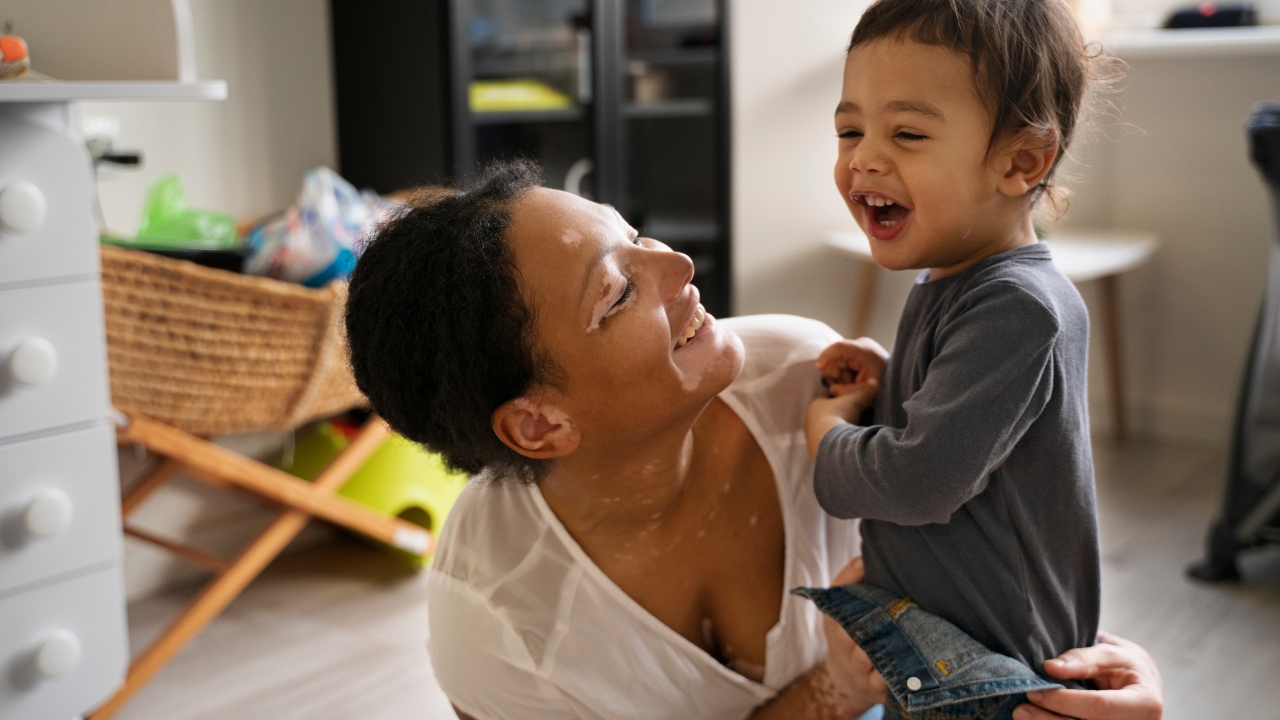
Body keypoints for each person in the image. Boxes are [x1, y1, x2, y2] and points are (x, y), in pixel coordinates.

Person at [344, 162, 1161, 720]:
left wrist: (1102, 678)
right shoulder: (496, 620)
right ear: (539, 425)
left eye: (638, 235)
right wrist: (832, 691)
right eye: (619, 291)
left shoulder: (813, 377)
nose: (677, 266)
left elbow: (999, 565)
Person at [802, 0, 1104, 715]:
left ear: (1021, 161)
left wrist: (826, 432)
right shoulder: (957, 283)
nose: (863, 158)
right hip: (944, 648)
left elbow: (919, 482)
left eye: (907, 133)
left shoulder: (1018, 305)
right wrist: (891, 381)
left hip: (988, 678)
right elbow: (973, 435)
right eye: (850, 130)